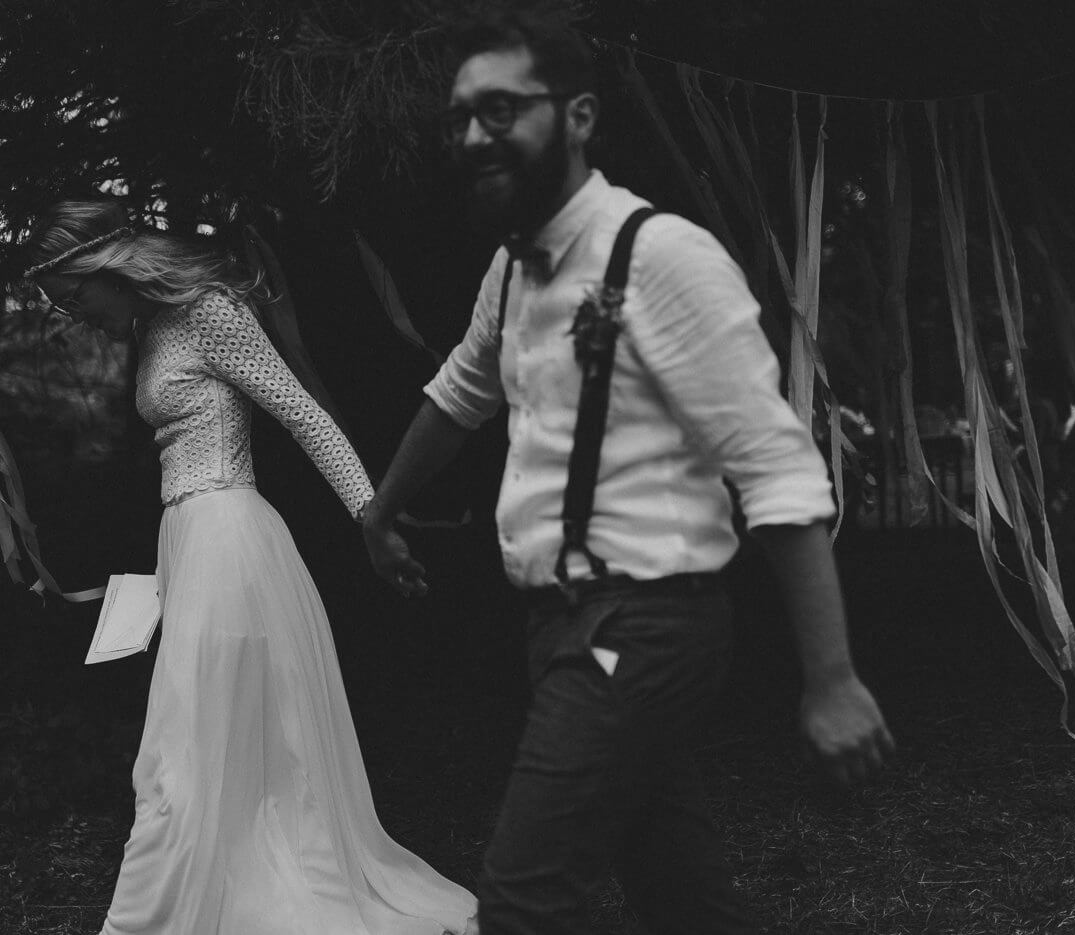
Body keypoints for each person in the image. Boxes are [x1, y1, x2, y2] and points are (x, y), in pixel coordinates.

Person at [361, 11, 896, 935]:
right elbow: (460, 393)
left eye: (500, 109)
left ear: (577, 115)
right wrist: (382, 510)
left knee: (524, 899)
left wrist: (833, 676)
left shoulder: (663, 259)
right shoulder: (513, 270)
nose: (474, 136)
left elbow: (776, 471)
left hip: (647, 624)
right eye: (458, 118)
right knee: (681, 895)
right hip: (560, 623)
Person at [23, 199, 477, 935]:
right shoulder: (150, 326)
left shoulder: (210, 310)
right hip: (189, 545)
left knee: (191, 746)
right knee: (202, 740)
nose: (77, 315)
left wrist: (374, 519)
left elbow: (304, 414)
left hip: (232, 542)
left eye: (76, 297)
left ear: (110, 268)